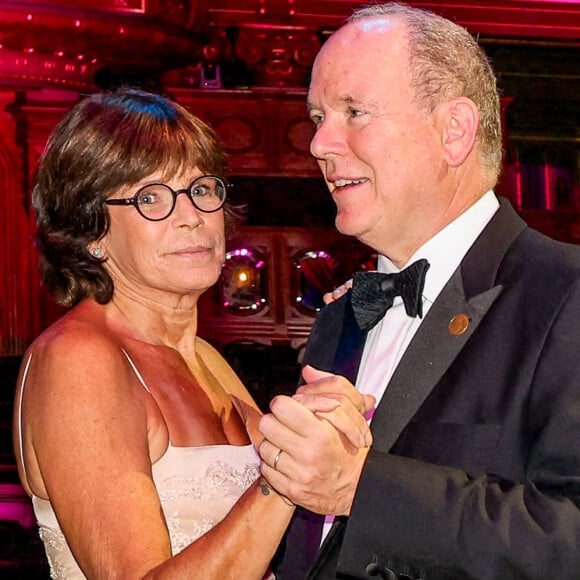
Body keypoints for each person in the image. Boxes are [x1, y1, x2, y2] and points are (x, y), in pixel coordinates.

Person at [257, 3, 580, 579]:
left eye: (354, 112)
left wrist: (361, 488)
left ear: (453, 131)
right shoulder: (342, 316)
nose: (319, 145)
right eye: (318, 117)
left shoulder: (567, 296)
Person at [12, 88, 372, 579]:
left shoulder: (207, 359)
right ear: (91, 231)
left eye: (201, 189)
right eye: (151, 197)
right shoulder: (79, 359)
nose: (192, 217)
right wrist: (288, 473)